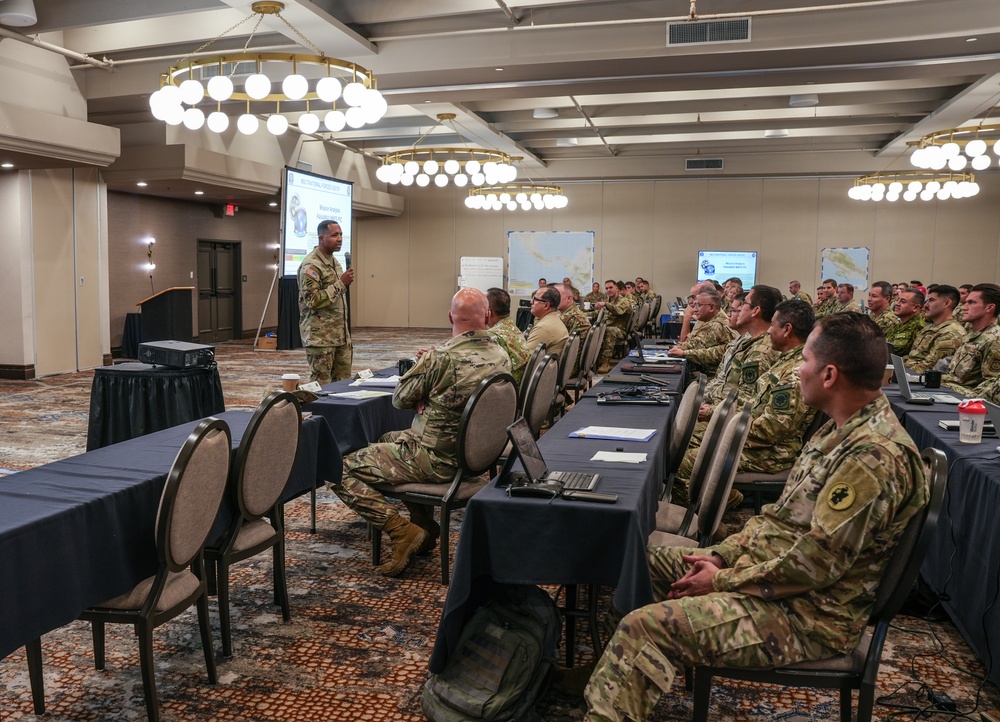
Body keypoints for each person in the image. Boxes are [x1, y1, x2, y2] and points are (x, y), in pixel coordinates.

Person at [583, 312, 929, 722]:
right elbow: (776, 520)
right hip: (772, 578)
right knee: (632, 562)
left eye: (805, 361)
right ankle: (616, 679)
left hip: (809, 617)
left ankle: (611, 703)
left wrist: (722, 578)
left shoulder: (874, 458)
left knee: (646, 626)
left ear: (830, 375)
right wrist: (723, 556)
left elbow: (815, 567)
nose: (798, 370)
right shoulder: (841, 429)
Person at [334, 288, 512, 577]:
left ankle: (401, 530)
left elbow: (400, 399)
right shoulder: (501, 354)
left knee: (337, 467)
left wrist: (424, 379)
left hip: (435, 459)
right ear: (488, 316)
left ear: (450, 316)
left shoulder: (439, 357)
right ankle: (424, 525)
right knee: (387, 439)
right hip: (474, 456)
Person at [297, 220, 355, 383]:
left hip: (340, 336)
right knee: (321, 385)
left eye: (341, 235)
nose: (340, 239)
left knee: (344, 384)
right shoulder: (311, 265)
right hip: (321, 338)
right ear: (321, 238)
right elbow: (312, 300)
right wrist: (340, 284)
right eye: (334, 235)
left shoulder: (334, 262)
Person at [942, 283, 1000, 395]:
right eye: (966, 302)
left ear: (989, 308)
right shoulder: (972, 335)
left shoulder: (994, 340)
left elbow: (989, 393)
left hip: (965, 403)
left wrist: (946, 386)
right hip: (949, 394)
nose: (964, 307)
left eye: (972, 303)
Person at [667, 291, 738, 377]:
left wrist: (680, 350)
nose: (694, 310)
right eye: (694, 305)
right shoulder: (715, 319)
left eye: (699, 305)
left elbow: (691, 345)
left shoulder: (715, 325)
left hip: (712, 376)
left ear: (711, 307)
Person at [904, 284, 965, 373]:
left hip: (920, 379)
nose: (926, 305)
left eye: (931, 300)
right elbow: (913, 357)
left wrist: (900, 371)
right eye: (927, 300)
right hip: (909, 373)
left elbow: (928, 368)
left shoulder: (951, 332)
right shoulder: (929, 328)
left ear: (947, 303)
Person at [485, 287, 531, 384]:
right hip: (518, 385)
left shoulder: (494, 336)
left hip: (507, 390)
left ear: (488, 311)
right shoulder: (511, 327)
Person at [595, 280, 633, 372]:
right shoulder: (610, 301)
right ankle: (594, 360)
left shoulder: (623, 301)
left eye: (611, 287)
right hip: (607, 327)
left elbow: (618, 310)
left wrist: (605, 304)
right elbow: (600, 313)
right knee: (593, 328)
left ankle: (605, 363)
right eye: (607, 288)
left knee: (609, 330)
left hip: (620, 331)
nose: (608, 290)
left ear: (617, 289)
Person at [557, 282, 592, 374]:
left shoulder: (569, 316)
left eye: (557, 297)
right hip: (575, 366)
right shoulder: (574, 312)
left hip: (568, 368)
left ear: (569, 298)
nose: (553, 300)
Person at [526, 285, 569, 358]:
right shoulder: (553, 319)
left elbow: (524, 359)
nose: (531, 302)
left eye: (535, 299)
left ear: (546, 305)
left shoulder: (544, 327)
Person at [885, 287, 925, 356]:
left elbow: (896, 351)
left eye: (903, 302)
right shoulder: (899, 324)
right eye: (898, 300)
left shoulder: (918, 327)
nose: (897, 304)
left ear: (915, 308)